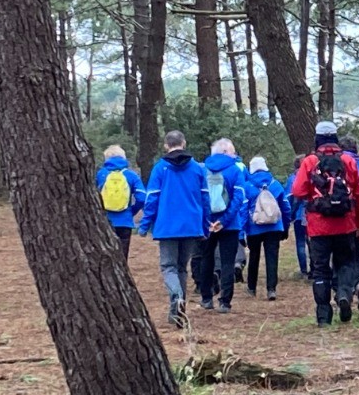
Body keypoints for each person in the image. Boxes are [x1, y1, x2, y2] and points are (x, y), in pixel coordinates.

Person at [290, 120, 359, 326]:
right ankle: (343, 294)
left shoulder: (309, 162)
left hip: (318, 227)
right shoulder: (348, 161)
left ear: (317, 139)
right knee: (345, 264)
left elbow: (298, 191)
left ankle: (323, 316)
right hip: (345, 225)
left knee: (320, 269)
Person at [141, 130, 212, 329]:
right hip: (191, 226)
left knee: (168, 266)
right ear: (184, 142)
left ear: (166, 145)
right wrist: (205, 225)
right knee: (182, 267)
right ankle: (179, 312)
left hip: (167, 226)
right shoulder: (197, 169)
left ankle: (176, 295)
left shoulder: (160, 168)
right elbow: (205, 199)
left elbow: (152, 198)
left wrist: (145, 224)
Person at [196, 138, 247, 312]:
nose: (235, 154)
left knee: (206, 259)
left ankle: (206, 298)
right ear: (225, 152)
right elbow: (239, 198)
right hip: (230, 224)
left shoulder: (202, 169)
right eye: (233, 151)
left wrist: (208, 220)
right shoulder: (235, 170)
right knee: (227, 262)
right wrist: (224, 221)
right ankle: (225, 301)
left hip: (207, 224)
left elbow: (199, 197)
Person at [244, 154, 292, 300]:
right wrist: (285, 226)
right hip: (274, 226)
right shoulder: (275, 184)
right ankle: (271, 289)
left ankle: (251, 287)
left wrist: (242, 231)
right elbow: (286, 207)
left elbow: (243, 210)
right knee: (272, 257)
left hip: (254, 227)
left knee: (254, 256)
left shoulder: (248, 186)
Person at [95, 144, 146, 259]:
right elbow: (142, 197)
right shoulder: (131, 175)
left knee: (105, 257)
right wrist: (132, 211)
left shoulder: (100, 174)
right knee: (122, 258)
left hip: (104, 221)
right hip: (125, 222)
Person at [287, 154, 310, 278]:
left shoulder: (292, 179)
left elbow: (289, 198)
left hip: (298, 216)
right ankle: (314, 268)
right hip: (311, 215)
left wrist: (289, 215)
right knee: (312, 242)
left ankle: (303, 270)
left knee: (300, 243)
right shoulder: (312, 176)